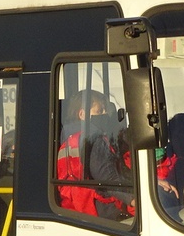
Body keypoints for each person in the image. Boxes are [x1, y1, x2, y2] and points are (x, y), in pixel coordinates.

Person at [56, 89, 133, 219]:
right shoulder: (94, 138)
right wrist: (132, 199)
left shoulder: (67, 140)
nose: (105, 114)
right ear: (82, 114)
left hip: (73, 209)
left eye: (105, 110)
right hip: (102, 212)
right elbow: (107, 177)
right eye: (99, 111)